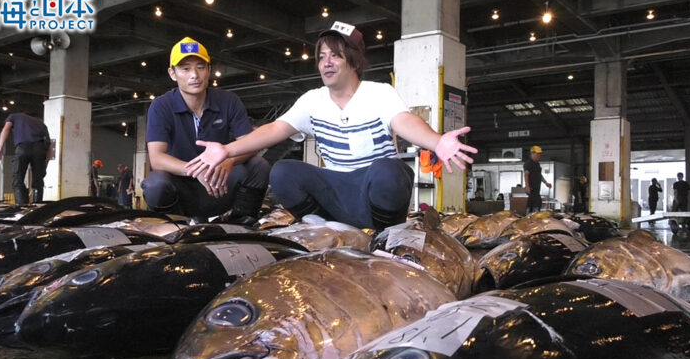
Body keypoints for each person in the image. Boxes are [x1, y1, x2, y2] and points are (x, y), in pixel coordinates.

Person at [184, 21, 477, 230]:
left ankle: (386, 234)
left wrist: (436, 142)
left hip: (371, 191)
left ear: (354, 60)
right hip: (337, 190)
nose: (326, 63)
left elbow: (404, 122)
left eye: (335, 55)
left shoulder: (378, 93)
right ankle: (324, 227)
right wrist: (226, 149)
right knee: (284, 171)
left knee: (389, 170)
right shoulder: (313, 100)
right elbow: (273, 130)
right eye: (321, 56)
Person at [141, 37, 269, 223]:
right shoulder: (161, 106)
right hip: (182, 187)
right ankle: (173, 228)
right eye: (185, 69)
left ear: (209, 70)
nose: (194, 75)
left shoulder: (229, 101)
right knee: (155, 184)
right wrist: (196, 171)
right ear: (172, 73)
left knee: (259, 165)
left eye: (200, 67)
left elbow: (249, 144)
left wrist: (229, 161)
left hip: (220, 184)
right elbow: (157, 158)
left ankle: (241, 225)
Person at [0, 112, 51, 204]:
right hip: (40, 150)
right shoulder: (41, 124)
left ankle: (22, 207)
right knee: (38, 182)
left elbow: (6, 129)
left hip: (23, 148)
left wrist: (0, 148)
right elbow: (49, 146)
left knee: (18, 179)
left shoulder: (13, 116)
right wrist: (45, 164)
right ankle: (38, 208)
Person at [523, 145, 552, 213]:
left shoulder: (537, 164)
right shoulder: (528, 163)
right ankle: (530, 217)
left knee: (536, 203)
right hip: (531, 189)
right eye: (537, 154)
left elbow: (539, 175)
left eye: (540, 154)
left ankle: (533, 216)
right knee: (535, 203)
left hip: (537, 189)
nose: (539, 156)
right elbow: (526, 174)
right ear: (532, 153)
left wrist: (546, 183)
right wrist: (527, 186)